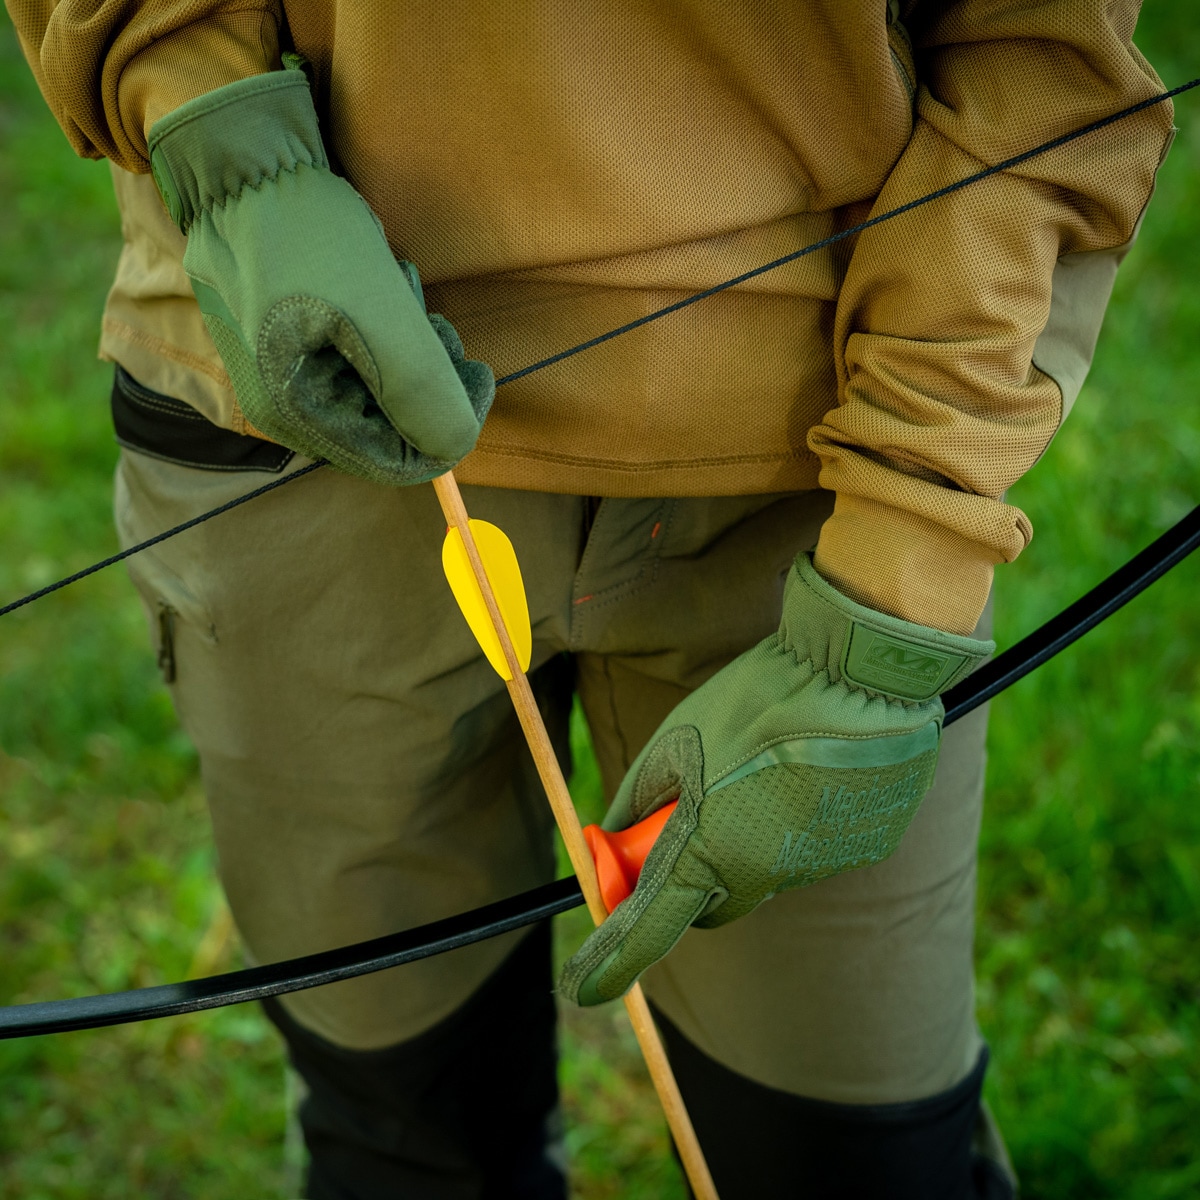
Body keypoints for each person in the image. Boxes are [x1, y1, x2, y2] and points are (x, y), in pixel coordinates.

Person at [8, 2, 1172, 1196]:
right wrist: (222, 137)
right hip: (304, 395)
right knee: (403, 1138)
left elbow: (1042, 56)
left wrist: (898, 572)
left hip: (817, 479)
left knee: (860, 1162)